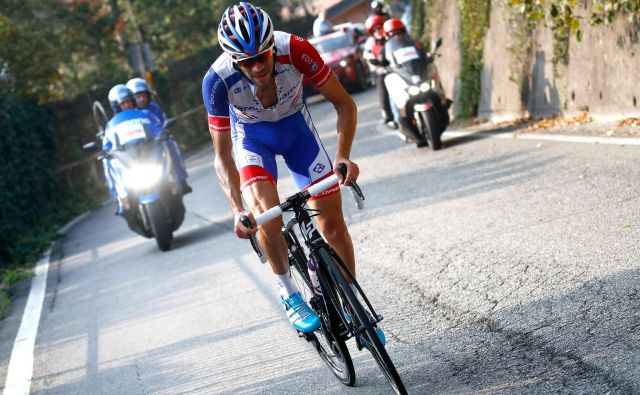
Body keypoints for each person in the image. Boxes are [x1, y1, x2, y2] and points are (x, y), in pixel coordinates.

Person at [202, 2, 381, 340]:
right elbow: (222, 155)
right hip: (253, 140)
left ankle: (351, 304)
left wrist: (343, 156)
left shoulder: (295, 49)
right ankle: (289, 292)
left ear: (272, 47)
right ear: (234, 60)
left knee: (333, 225)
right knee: (267, 218)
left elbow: (344, 103)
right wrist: (236, 209)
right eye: (247, 62)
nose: (257, 67)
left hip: (297, 130)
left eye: (262, 57)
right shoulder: (217, 80)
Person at [103, 85, 164, 214]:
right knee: (106, 162)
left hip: (147, 154)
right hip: (128, 160)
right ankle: (119, 198)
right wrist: (105, 151)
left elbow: (158, 128)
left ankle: (175, 182)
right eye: (123, 103)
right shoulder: (111, 125)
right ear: (116, 106)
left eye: (129, 101)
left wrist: (162, 133)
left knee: (168, 144)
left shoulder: (145, 114)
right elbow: (107, 144)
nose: (127, 105)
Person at [125, 77, 192, 194]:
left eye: (143, 95)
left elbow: (162, 124)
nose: (141, 99)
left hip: (157, 141)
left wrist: (163, 134)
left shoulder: (154, 107)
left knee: (170, 143)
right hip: (139, 146)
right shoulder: (130, 114)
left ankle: (181, 180)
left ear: (148, 95)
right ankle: (125, 196)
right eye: (137, 96)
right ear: (132, 99)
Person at [363, 14, 395, 127]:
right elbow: (367, 55)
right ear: (371, 32)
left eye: (380, 27)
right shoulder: (370, 43)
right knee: (381, 84)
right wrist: (375, 62)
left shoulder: (392, 35)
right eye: (374, 30)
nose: (378, 31)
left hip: (397, 68)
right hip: (381, 70)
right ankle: (387, 113)